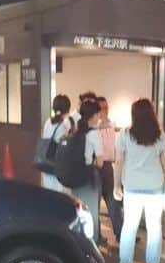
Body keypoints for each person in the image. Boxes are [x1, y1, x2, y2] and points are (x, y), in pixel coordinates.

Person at [115, 98, 165, 263]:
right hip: (154, 185)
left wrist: (117, 185)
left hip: (132, 186)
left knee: (129, 225)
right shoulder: (160, 135)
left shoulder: (124, 134)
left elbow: (119, 161)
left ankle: (125, 262)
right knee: (154, 225)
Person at [65, 96, 103, 246]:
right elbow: (100, 162)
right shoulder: (94, 134)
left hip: (74, 176)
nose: (99, 118)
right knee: (90, 214)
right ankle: (90, 248)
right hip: (88, 177)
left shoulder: (75, 131)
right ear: (93, 116)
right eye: (98, 115)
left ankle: (75, 244)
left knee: (77, 213)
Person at [94, 96, 123, 247]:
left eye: (107, 107)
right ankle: (96, 235)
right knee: (96, 202)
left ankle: (121, 233)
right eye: (102, 108)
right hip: (96, 166)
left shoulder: (111, 125)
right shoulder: (94, 127)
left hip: (108, 166)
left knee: (113, 202)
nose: (105, 110)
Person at [39, 94, 72, 193]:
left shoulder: (48, 122)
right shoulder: (65, 124)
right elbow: (65, 146)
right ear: (68, 109)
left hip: (46, 164)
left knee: (49, 194)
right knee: (61, 197)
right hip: (58, 166)